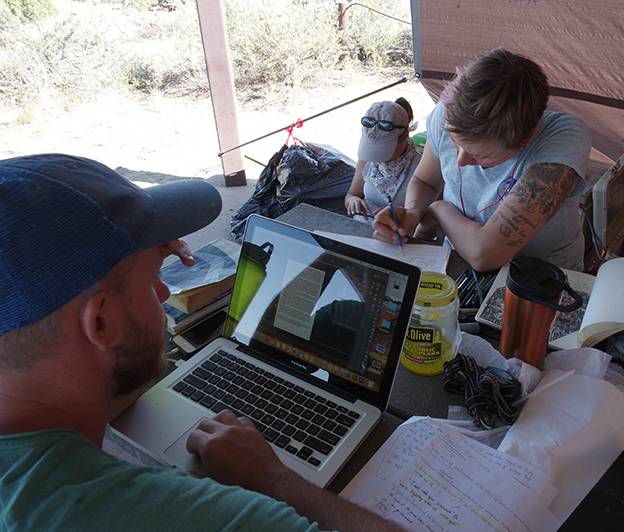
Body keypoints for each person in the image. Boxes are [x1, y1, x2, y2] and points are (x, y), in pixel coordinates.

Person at [0, 153, 404, 532]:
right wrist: (272, 477)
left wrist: (134, 272)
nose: (163, 292)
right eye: (153, 278)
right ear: (101, 323)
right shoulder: (177, 512)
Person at [372, 48, 592, 272]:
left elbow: (484, 255)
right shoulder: (448, 112)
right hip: (454, 261)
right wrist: (411, 213)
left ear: (527, 138)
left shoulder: (564, 137)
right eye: (456, 143)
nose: (461, 161)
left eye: (481, 155)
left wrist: (439, 210)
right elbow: (426, 181)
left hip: (540, 279)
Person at [344, 98, 421, 220]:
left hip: (396, 235)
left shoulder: (421, 168)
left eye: (383, 150)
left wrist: (405, 216)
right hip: (359, 230)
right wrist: (352, 201)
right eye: (374, 149)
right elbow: (352, 194)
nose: (377, 158)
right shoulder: (367, 158)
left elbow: (429, 218)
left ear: (405, 136)